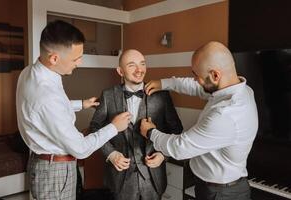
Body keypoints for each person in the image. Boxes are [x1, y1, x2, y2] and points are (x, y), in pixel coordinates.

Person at [16, 20, 131, 200]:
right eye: (76, 58)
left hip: (46, 165)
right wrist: (114, 127)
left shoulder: (30, 72)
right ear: (54, 58)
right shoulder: (46, 96)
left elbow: (42, 112)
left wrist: (80, 104)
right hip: (55, 173)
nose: (79, 62)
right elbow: (81, 149)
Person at [140, 41, 258, 200]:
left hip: (221, 194)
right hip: (215, 186)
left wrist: (150, 132)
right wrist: (164, 83)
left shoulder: (226, 115)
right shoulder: (239, 89)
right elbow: (196, 87)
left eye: (197, 76)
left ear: (215, 75)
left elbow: (179, 148)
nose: (195, 80)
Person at [88, 49, 183, 200]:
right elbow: (94, 129)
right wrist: (111, 154)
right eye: (132, 65)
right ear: (120, 71)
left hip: (154, 179)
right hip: (119, 180)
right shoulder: (108, 95)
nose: (139, 70)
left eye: (142, 64)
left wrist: (163, 155)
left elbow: (177, 130)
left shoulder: (162, 96)